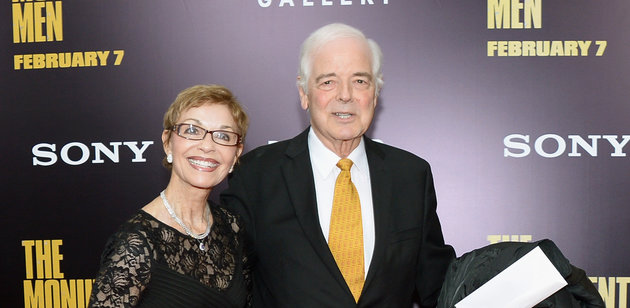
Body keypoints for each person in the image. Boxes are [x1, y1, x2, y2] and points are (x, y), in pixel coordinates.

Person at [221, 23, 455, 308]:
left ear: (375, 94)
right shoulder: (255, 175)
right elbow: (226, 288)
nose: (345, 95)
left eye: (360, 81)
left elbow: (441, 288)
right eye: (328, 81)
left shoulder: (411, 176)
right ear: (304, 94)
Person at [89, 85, 251, 307]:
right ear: (168, 142)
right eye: (193, 130)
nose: (207, 146)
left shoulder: (232, 228)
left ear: (236, 154)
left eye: (223, 135)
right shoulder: (137, 242)